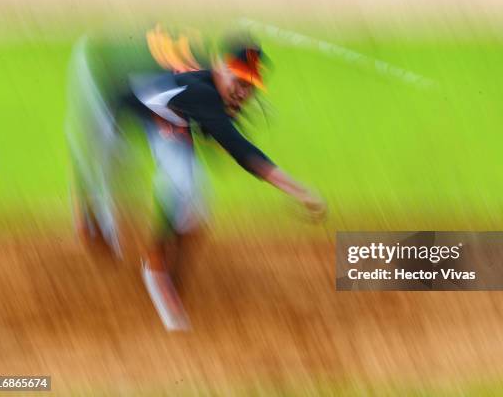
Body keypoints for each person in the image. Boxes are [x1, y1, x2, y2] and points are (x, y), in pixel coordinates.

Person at [66, 27, 326, 331]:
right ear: (220, 67)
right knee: (105, 210)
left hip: (165, 122)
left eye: (249, 85)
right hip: (112, 114)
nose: (243, 91)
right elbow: (242, 151)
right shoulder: (204, 95)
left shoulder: (213, 91)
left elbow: (206, 123)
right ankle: (98, 215)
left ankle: (159, 270)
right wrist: (300, 192)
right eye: (237, 79)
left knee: (193, 203)